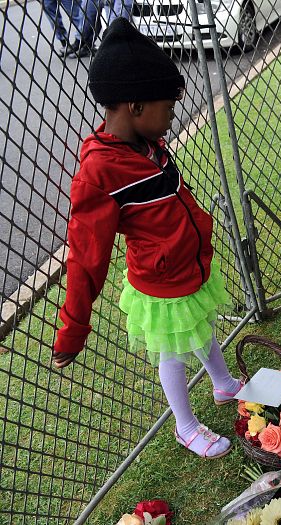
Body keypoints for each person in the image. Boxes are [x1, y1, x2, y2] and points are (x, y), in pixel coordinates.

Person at [52, 19, 240, 459]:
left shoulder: (147, 144)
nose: (172, 117)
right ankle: (185, 427)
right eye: (168, 108)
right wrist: (73, 331)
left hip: (187, 267)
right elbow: (85, 258)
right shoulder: (100, 173)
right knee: (172, 351)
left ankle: (223, 384)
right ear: (135, 106)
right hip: (160, 282)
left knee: (201, 325)